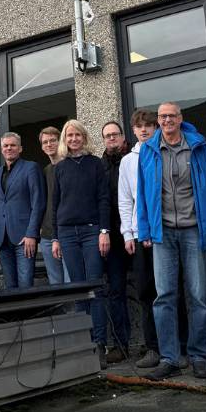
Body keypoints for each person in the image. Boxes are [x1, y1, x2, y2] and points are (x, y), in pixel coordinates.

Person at [136, 102, 206, 381]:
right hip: (163, 233)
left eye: (172, 115)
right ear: (158, 121)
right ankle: (169, 358)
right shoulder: (148, 150)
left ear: (181, 119)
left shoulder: (199, 146)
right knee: (164, 296)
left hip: (194, 229)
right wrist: (144, 231)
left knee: (197, 296)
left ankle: (198, 356)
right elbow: (143, 194)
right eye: (162, 116)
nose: (167, 120)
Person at [119, 108, 187, 370]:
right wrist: (128, 233)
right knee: (147, 292)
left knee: (172, 289)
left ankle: (180, 347)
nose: (145, 130)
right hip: (139, 234)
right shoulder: (128, 161)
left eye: (149, 125)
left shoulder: (162, 153)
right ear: (134, 131)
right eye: (139, 126)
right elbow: (125, 200)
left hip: (165, 232)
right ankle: (153, 348)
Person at [52, 120, 111, 365]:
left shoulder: (95, 164)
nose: (74, 139)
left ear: (84, 138)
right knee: (77, 289)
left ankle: (99, 343)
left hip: (91, 232)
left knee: (95, 288)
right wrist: (55, 237)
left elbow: (104, 199)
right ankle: (82, 342)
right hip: (66, 233)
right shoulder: (59, 168)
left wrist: (104, 231)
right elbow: (54, 205)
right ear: (65, 140)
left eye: (78, 135)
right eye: (69, 135)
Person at [0, 132, 45, 289]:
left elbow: (38, 202)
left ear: (20, 148)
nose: (9, 148)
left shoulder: (30, 168)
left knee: (25, 285)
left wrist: (31, 234)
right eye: (5, 146)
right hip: (2, 240)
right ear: (1, 149)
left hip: (24, 238)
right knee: (10, 286)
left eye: (13, 145)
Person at [100, 120, 131, 364]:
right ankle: (121, 344)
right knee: (115, 291)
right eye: (107, 136)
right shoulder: (100, 166)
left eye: (114, 134)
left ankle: (160, 346)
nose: (111, 139)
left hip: (136, 232)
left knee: (148, 289)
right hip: (111, 237)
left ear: (122, 137)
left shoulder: (133, 160)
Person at [38, 126, 69, 285]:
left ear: (60, 141)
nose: (49, 144)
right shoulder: (45, 171)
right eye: (45, 142)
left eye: (52, 141)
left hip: (66, 233)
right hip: (47, 236)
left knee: (71, 282)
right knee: (55, 284)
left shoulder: (69, 166)